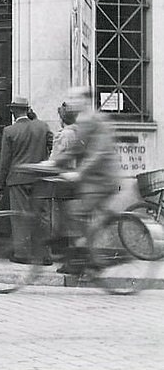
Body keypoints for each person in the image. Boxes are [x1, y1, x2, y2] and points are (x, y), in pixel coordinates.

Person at [49, 87, 120, 274]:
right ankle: (84, 255)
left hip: (102, 180)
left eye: (75, 97)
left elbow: (99, 152)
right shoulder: (82, 121)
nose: (71, 101)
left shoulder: (97, 120)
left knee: (75, 211)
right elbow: (75, 150)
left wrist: (79, 172)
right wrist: (51, 163)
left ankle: (90, 256)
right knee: (74, 213)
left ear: (86, 100)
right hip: (90, 180)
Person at [0, 96, 52, 265]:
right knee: (42, 215)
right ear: (28, 109)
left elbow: (4, 160)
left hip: (18, 178)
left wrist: (1, 182)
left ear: (13, 112)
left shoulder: (9, 131)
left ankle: (22, 253)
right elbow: (52, 144)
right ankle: (44, 255)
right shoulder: (42, 126)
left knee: (20, 216)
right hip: (40, 176)